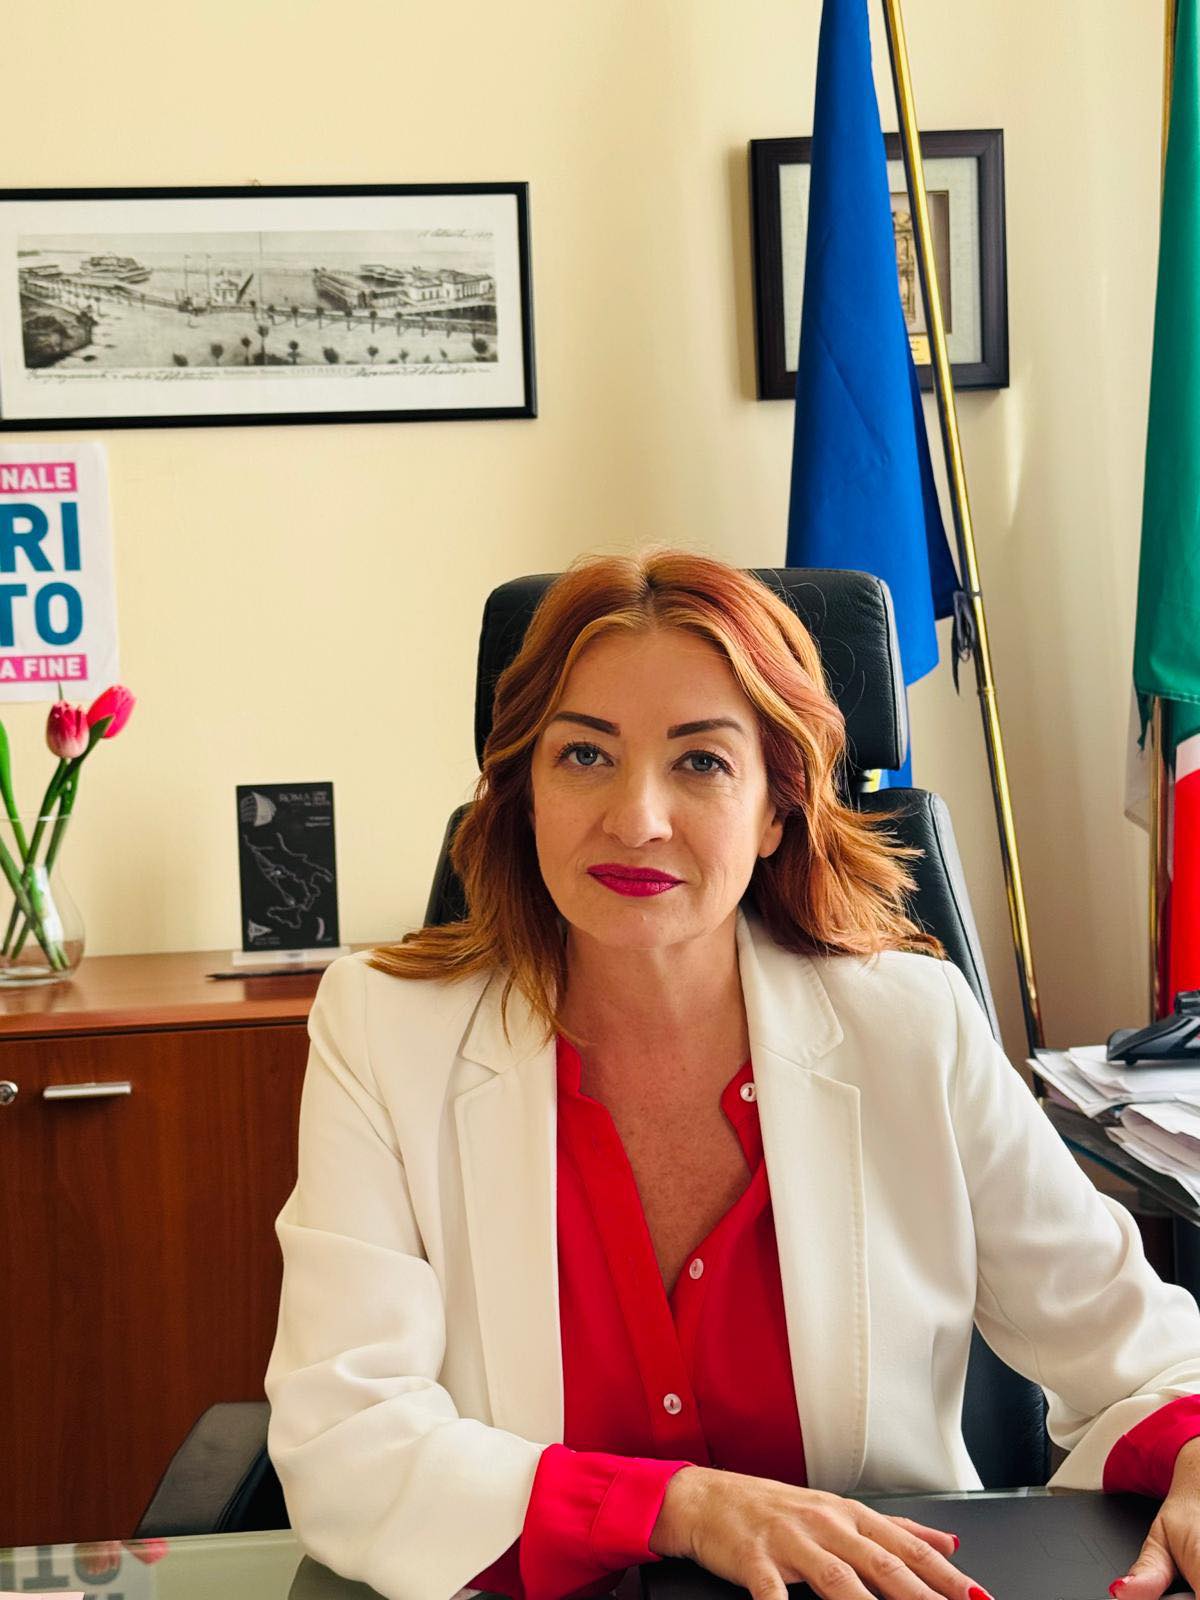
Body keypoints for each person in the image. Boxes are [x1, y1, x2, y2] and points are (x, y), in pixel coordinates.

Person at [265, 550, 1200, 1600]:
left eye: (701, 762)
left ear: (776, 807)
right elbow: (344, 1439)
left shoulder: (911, 1026)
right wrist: (680, 1507)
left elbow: (1142, 1348)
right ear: (524, 791)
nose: (637, 818)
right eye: (584, 754)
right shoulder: (385, 1031)